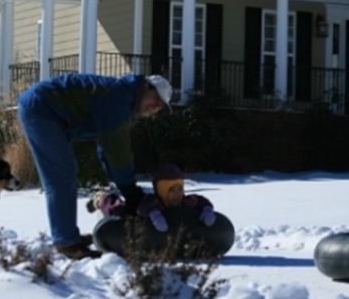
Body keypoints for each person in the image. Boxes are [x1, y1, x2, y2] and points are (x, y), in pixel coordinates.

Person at [18, 73, 173, 260]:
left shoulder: (124, 99)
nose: (156, 107)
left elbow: (106, 148)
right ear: (146, 87)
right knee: (61, 175)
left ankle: (68, 237)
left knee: (64, 173)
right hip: (41, 109)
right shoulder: (118, 98)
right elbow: (116, 149)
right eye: (157, 99)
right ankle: (67, 243)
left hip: (50, 113)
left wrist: (125, 186)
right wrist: (129, 189)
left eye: (161, 106)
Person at [87, 162, 216, 231]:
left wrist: (207, 209)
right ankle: (101, 198)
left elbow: (200, 200)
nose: (177, 193)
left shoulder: (185, 201)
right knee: (117, 208)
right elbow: (143, 208)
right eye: (172, 190)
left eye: (180, 189)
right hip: (135, 209)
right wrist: (154, 214)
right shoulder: (154, 201)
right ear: (162, 190)